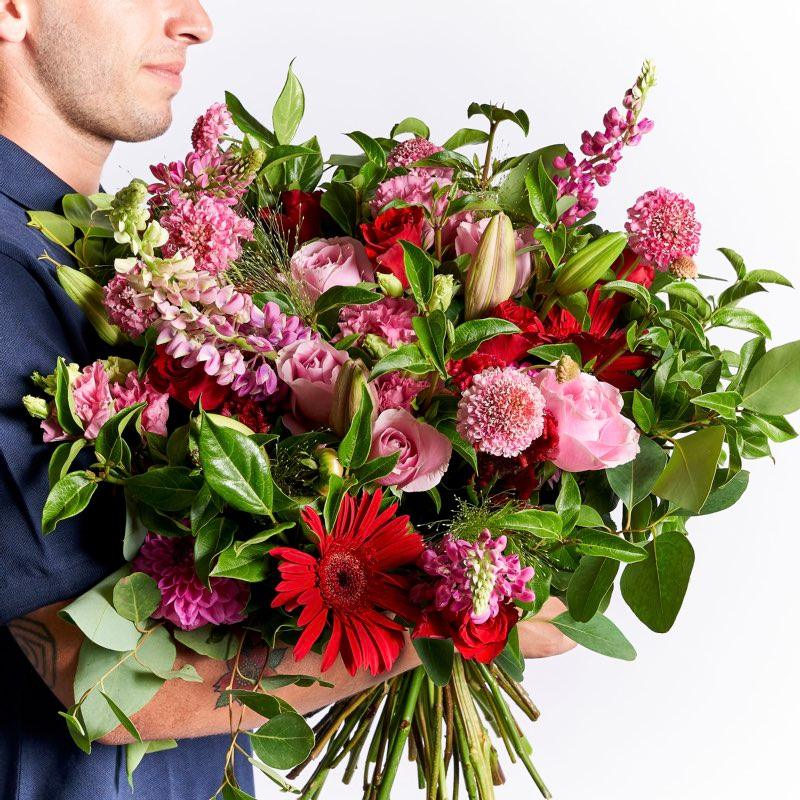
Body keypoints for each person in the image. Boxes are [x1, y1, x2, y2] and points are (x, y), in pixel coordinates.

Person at [0, 2, 576, 798]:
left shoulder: (119, 254)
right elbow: (83, 668)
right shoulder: (5, 280)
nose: (196, 20)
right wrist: (452, 612)